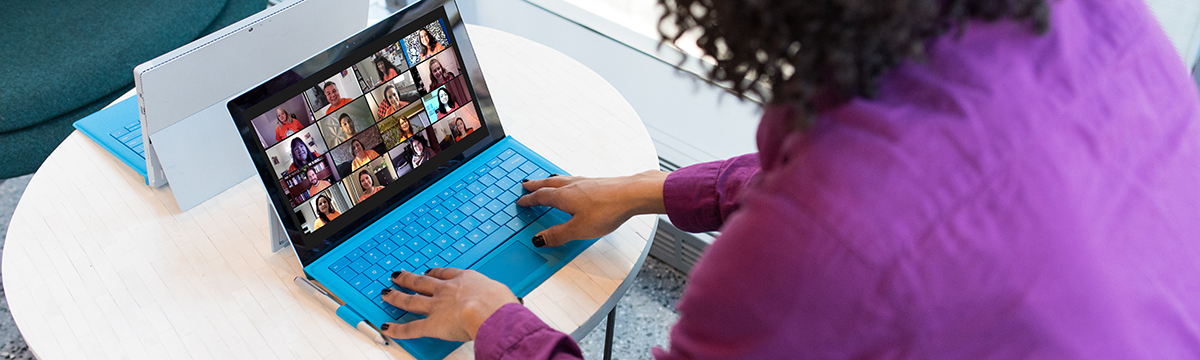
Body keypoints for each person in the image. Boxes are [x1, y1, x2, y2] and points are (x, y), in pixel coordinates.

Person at [367, 0, 1200, 358]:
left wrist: (495, 322)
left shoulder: (812, 256)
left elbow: (840, 227)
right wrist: (640, 190)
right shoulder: (1098, 18)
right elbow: (866, 175)